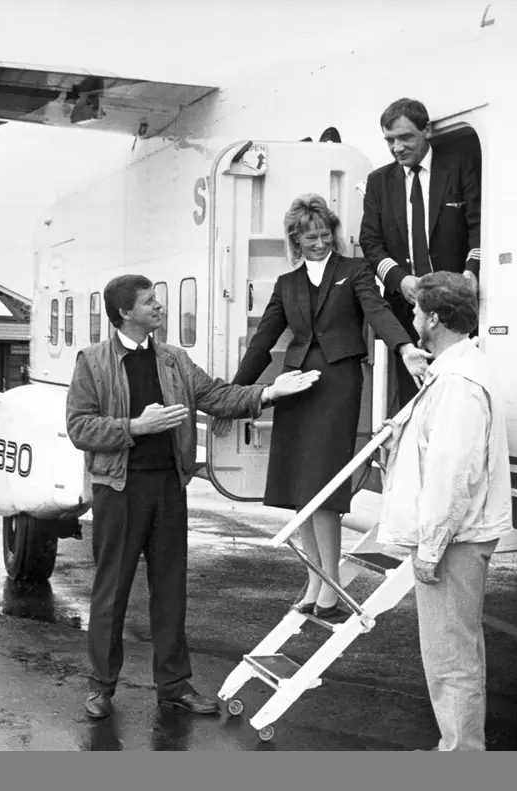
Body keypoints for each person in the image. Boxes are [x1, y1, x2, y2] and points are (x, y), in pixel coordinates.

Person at [66, 274, 321, 720]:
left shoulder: (174, 360)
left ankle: (174, 686)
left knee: (171, 592)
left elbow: (217, 395)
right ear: (125, 312)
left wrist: (269, 392)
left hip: (168, 489)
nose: (159, 306)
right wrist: (134, 427)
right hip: (119, 491)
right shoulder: (93, 362)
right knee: (111, 593)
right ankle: (101, 686)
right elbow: (79, 427)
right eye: (149, 301)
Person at [226, 194, 429, 621]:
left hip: (337, 384)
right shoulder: (286, 284)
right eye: (310, 238)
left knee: (325, 485)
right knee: (301, 487)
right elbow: (264, 340)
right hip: (296, 386)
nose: (319, 244)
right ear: (295, 240)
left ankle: (330, 586)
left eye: (324, 235)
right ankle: (315, 580)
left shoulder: (354, 271)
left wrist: (404, 347)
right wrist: (234, 394)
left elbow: (377, 312)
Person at [374, 271, 512, 751]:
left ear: (433, 318)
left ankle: (460, 756)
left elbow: (452, 475)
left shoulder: (457, 382)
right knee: (457, 648)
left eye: (416, 310)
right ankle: (457, 748)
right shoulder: (458, 370)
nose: (412, 317)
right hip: (460, 533)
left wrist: (430, 548)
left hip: (455, 538)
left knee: (450, 655)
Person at [359, 97, 481, 411]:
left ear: (426, 130)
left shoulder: (459, 166)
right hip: (408, 312)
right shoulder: (379, 182)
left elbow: (478, 224)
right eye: (390, 140)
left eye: (405, 138)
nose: (397, 148)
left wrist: (472, 269)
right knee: (414, 400)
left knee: (457, 395)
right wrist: (400, 280)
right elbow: (370, 242)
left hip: (455, 305)